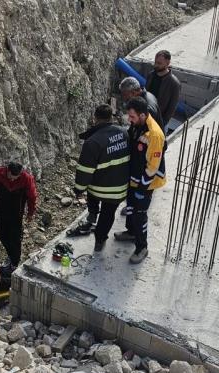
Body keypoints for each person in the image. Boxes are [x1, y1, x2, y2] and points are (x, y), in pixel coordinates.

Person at [68, 104, 130, 252]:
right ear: (111, 117)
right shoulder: (124, 133)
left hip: (98, 189)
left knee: (92, 193)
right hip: (120, 189)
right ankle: (100, 241)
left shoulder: (93, 142)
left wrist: (79, 190)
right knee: (108, 214)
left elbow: (85, 170)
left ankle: (92, 217)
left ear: (95, 118)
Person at [114, 97, 166, 264]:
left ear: (143, 115)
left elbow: (152, 167)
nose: (129, 119)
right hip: (134, 176)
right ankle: (131, 232)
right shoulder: (137, 125)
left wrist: (142, 190)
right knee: (130, 207)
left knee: (139, 214)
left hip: (146, 182)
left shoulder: (154, 135)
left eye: (132, 116)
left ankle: (142, 247)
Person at [0, 161, 38, 267]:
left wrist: (30, 213)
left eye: (16, 178)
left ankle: (14, 261)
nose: (12, 180)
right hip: (0, 208)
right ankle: (10, 254)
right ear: (7, 170)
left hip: (16, 212)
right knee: (0, 232)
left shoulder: (27, 178)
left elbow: (32, 197)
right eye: (11, 177)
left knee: (15, 237)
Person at [146, 50, 181, 133]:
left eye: (159, 63)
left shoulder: (174, 83)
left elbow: (172, 107)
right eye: (155, 62)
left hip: (160, 122)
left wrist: (163, 122)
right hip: (146, 117)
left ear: (167, 63)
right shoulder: (151, 75)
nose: (156, 65)